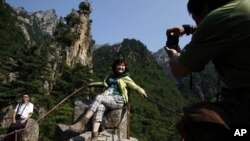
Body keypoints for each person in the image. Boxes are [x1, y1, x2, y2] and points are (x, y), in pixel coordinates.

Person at [165, 0, 250, 140]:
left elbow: (180, 70)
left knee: (196, 120)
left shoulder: (220, 17)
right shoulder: (241, 7)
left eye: (196, 19)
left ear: (205, 7)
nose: (199, 24)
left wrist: (174, 56)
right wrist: (187, 29)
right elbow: (223, 24)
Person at [67, 57, 147, 141]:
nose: (121, 67)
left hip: (118, 100)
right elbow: (104, 84)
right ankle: (94, 136)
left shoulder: (126, 78)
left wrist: (142, 91)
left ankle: (82, 122)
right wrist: (92, 84)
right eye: (119, 65)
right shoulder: (110, 76)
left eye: (123, 65)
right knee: (100, 107)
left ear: (125, 67)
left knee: (99, 97)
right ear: (115, 66)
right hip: (108, 99)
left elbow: (135, 86)